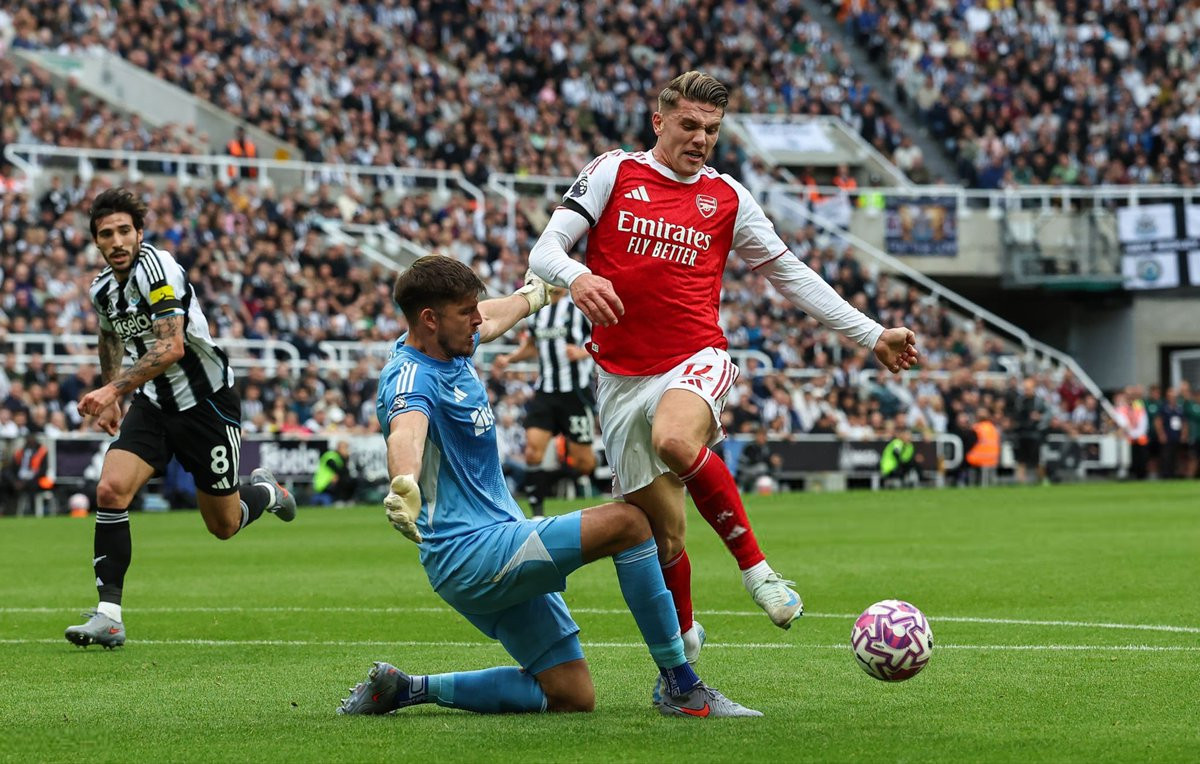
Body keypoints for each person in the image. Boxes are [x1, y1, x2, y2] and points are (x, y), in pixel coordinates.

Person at [528, 71, 919, 655]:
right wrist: (578, 276)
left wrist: (872, 334)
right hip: (619, 379)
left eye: (711, 129)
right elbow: (544, 250)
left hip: (695, 355)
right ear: (658, 122)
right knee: (664, 538)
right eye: (689, 124)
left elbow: (790, 274)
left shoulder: (729, 197)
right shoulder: (614, 171)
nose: (701, 138)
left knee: (674, 439)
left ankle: (758, 572)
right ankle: (685, 642)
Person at [339, 255, 758, 718]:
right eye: (466, 312)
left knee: (571, 695)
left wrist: (532, 296)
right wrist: (403, 482)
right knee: (631, 523)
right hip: (471, 553)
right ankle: (681, 686)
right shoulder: (411, 376)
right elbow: (407, 430)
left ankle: (404, 689)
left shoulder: (447, 343)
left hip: (493, 543)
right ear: (429, 319)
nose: (477, 320)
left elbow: (492, 318)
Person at [65, 188, 296, 650]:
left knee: (223, 525)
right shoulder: (101, 289)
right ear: (96, 241)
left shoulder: (158, 268)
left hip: (207, 404)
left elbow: (171, 347)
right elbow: (109, 336)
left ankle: (269, 492)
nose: (117, 241)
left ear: (140, 233)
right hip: (154, 403)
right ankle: (109, 616)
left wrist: (112, 390)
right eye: (106, 234)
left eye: (124, 231)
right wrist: (112, 395)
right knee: (110, 490)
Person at [492, 287, 596, 518]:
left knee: (584, 463)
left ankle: (572, 474)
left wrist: (584, 352)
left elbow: (604, 338)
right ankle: (537, 514)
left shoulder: (579, 309)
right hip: (545, 393)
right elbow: (531, 346)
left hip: (575, 394)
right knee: (532, 453)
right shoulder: (538, 313)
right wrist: (509, 358)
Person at [312, 440, 357, 505]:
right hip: (323, 484)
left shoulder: (338, 457)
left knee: (352, 479)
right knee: (344, 479)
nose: (347, 451)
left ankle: (347, 500)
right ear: (339, 448)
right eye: (345, 448)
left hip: (329, 483)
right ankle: (340, 500)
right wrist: (346, 459)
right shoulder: (330, 456)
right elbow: (339, 470)